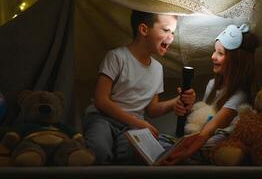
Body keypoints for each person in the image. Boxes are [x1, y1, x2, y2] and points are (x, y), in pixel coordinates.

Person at [83, 10, 196, 165]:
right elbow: (100, 100)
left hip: (132, 127)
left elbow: (152, 109)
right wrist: (140, 123)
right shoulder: (117, 57)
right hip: (103, 119)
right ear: (144, 30)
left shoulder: (157, 68)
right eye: (165, 30)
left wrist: (176, 101)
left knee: (133, 154)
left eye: (173, 32)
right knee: (98, 150)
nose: (171, 38)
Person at [161, 23, 258, 165]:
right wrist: (187, 110)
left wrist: (187, 151)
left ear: (236, 61)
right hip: (202, 134)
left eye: (220, 53)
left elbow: (213, 125)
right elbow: (205, 119)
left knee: (215, 141)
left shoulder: (239, 96)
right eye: (214, 51)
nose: (213, 56)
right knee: (163, 140)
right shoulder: (212, 84)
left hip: (215, 138)